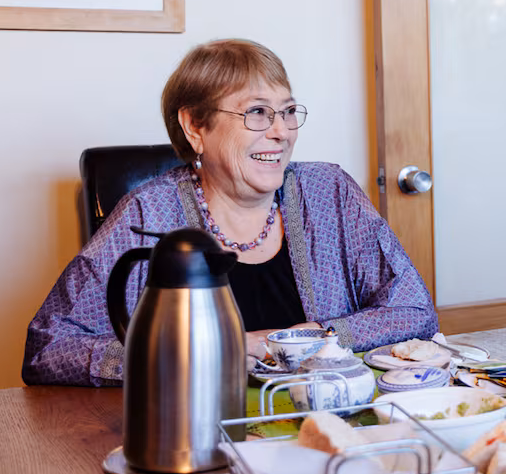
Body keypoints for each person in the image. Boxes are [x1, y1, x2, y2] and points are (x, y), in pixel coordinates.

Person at [24, 39, 437, 386]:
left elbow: (416, 310)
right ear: (194, 127)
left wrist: (323, 336)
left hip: (329, 421)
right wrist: (211, 352)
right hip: (198, 431)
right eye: (257, 112)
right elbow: (49, 348)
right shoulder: (148, 213)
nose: (281, 131)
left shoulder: (330, 193)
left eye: (288, 111)